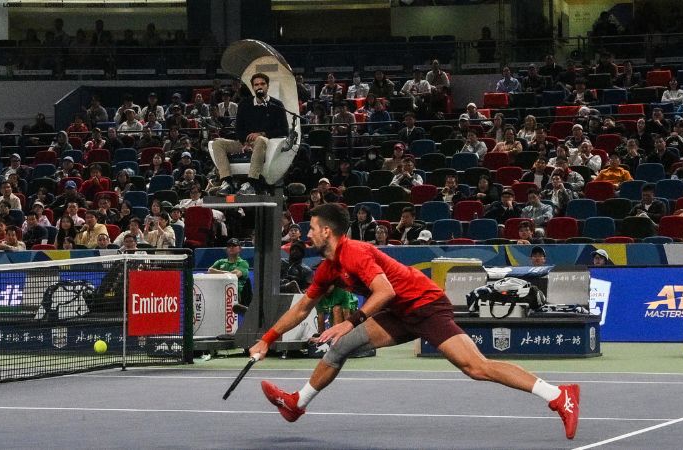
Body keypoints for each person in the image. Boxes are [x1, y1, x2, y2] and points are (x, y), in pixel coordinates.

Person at [254, 204, 580, 440]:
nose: (306, 234)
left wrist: (349, 321)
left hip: (426, 306)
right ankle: (297, 403)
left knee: (476, 368)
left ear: (327, 231)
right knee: (339, 350)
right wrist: (267, 338)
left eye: (311, 228)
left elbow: (384, 291)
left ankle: (558, 394)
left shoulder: (355, 252)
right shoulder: (327, 268)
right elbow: (300, 310)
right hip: (399, 312)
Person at [213, 73, 289, 195]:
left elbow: (284, 130)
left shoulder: (276, 105)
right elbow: (238, 129)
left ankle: (252, 182)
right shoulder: (244, 104)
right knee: (217, 143)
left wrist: (262, 133)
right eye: (256, 84)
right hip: (245, 142)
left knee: (260, 140)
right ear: (253, 87)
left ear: (267, 86)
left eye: (262, 84)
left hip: (267, 143)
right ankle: (227, 182)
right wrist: (245, 142)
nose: (259, 87)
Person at [209, 238, 250, 312]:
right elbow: (210, 271)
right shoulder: (221, 262)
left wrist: (219, 273)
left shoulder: (243, 263)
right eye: (229, 246)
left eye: (234, 245)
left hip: (234, 298)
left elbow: (234, 276)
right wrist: (228, 273)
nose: (231, 247)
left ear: (240, 249)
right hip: (218, 293)